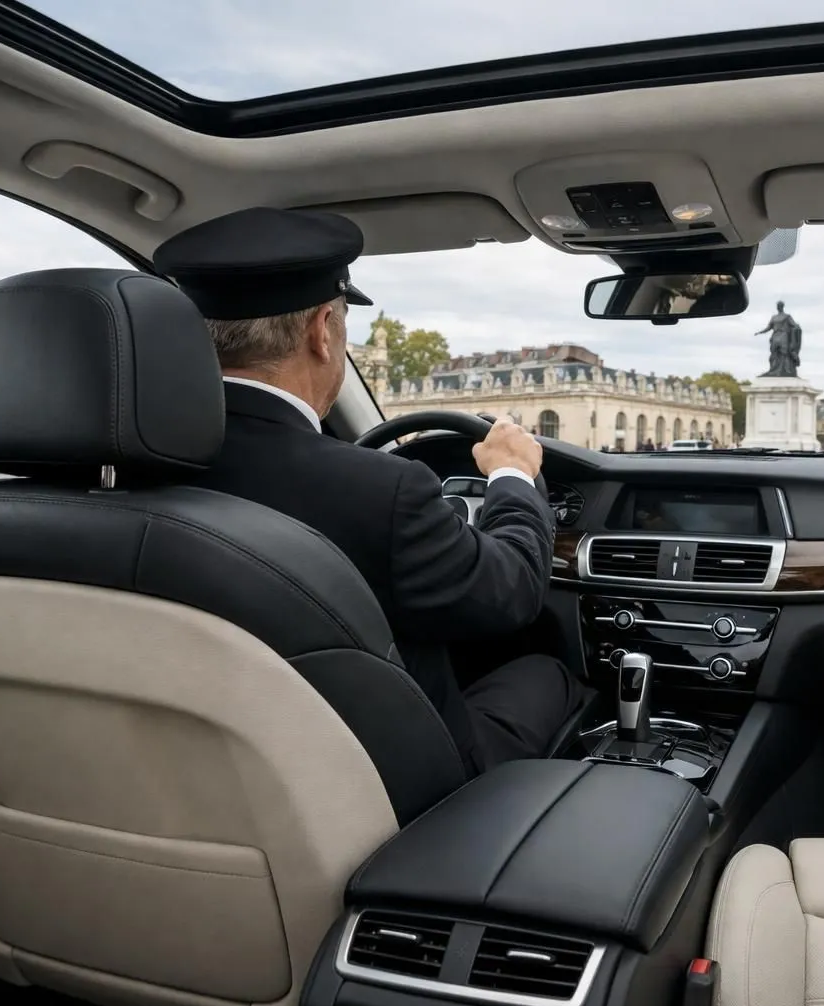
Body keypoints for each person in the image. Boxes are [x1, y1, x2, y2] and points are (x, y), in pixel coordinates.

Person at [154, 207, 590, 774]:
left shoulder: (116, 471)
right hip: (395, 780)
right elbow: (512, 591)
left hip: (192, 757)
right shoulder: (385, 490)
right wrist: (512, 474)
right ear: (322, 331)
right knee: (551, 671)